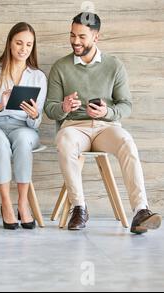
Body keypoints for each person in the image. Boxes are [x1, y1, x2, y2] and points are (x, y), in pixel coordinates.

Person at [44, 12, 161, 234]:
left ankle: (141, 210)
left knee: (126, 141)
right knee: (64, 140)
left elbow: (126, 105)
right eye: (72, 35)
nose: (75, 41)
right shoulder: (60, 67)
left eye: (81, 37)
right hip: (74, 128)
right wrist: (64, 107)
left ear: (96, 37)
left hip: (106, 127)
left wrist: (107, 111)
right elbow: (50, 109)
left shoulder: (114, 66)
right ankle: (79, 207)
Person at [0, 22, 47, 230]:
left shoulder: (38, 77)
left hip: (22, 127)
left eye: (28, 45)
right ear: (9, 43)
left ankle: (22, 203)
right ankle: (6, 203)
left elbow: (35, 122)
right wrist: (0, 106)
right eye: (19, 43)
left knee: (24, 140)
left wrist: (34, 115)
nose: (23, 49)